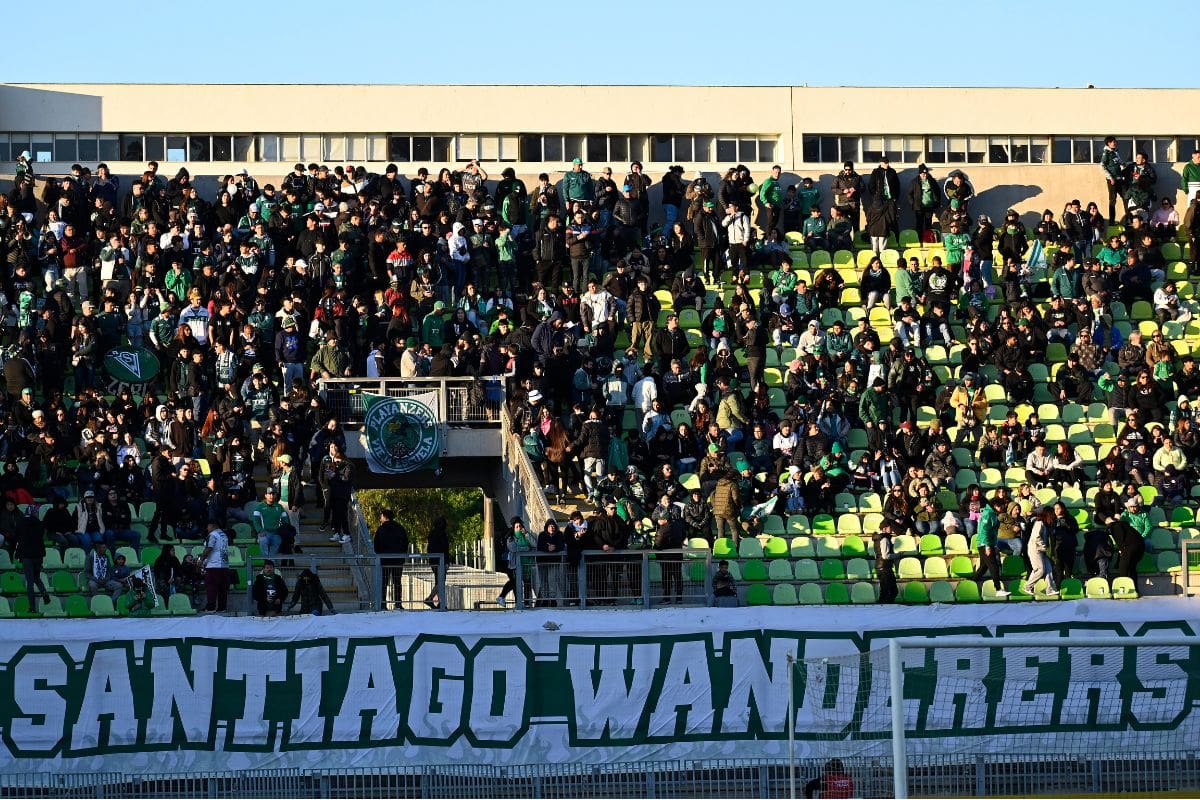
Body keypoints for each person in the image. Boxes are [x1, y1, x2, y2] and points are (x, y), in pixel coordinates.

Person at [14, 508, 50, 613]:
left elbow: (17, 538)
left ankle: (32, 607)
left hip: (26, 556)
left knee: (30, 582)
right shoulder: (39, 523)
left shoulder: (20, 523)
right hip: (38, 555)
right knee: (36, 577)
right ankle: (44, 593)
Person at [374, 507, 410, 610]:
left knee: (384, 583)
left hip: (384, 560)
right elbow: (405, 543)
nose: (380, 519)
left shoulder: (380, 529)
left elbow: (376, 545)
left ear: (385, 517)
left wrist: (380, 555)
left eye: (381, 516)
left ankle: (383, 604)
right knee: (397, 582)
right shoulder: (400, 528)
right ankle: (398, 603)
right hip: (398, 560)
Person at [973, 497, 1010, 595]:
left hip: (988, 543)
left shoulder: (992, 514)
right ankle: (998, 589)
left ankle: (970, 583)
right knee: (994, 566)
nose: (1002, 508)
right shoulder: (988, 514)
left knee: (983, 568)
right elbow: (984, 531)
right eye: (1001, 506)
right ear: (996, 506)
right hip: (985, 544)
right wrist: (987, 546)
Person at [497, 517, 534, 607]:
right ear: (513, 528)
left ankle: (527, 602)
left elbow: (534, 544)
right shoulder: (510, 538)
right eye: (517, 527)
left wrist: (527, 535)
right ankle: (509, 599)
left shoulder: (526, 535)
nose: (519, 528)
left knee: (527, 583)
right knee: (515, 583)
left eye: (520, 526)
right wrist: (526, 549)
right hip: (513, 565)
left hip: (526, 564)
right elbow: (514, 548)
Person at [1023, 506, 1058, 596]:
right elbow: (1036, 537)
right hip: (1035, 550)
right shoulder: (1039, 523)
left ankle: (1050, 589)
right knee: (1040, 570)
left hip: (1041, 550)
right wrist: (1044, 547)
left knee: (1048, 569)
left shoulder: (1045, 524)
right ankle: (1028, 586)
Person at [200, 519, 231, 613]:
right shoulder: (224, 535)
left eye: (208, 526)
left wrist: (201, 559)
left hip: (213, 565)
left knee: (211, 587)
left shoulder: (213, 535)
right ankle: (222, 608)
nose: (207, 528)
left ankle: (211, 607)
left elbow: (209, 547)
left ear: (213, 525)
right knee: (222, 588)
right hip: (224, 565)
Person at [251, 486, 287, 559]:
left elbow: (285, 521)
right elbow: (255, 521)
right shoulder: (259, 507)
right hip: (264, 533)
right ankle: (266, 562)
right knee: (263, 541)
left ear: (276, 495)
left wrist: (282, 532)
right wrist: (260, 531)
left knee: (277, 542)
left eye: (273, 494)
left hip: (276, 533)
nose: (271, 496)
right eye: (269, 494)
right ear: (265, 495)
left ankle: (271, 563)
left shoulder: (280, 507)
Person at [424, 516, 451, 608]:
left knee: (438, 580)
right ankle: (430, 598)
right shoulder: (442, 534)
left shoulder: (431, 534)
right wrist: (447, 562)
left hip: (433, 560)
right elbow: (445, 549)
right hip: (441, 561)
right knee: (441, 581)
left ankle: (439, 602)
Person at [873, 521, 899, 604]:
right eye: (890, 527)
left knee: (886, 591)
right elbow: (885, 556)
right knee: (891, 591)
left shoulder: (877, 538)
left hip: (880, 567)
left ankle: (884, 608)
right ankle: (885, 609)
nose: (891, 529)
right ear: (884, 528)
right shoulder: (884, 539)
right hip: (885, 568)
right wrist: (898, 555)